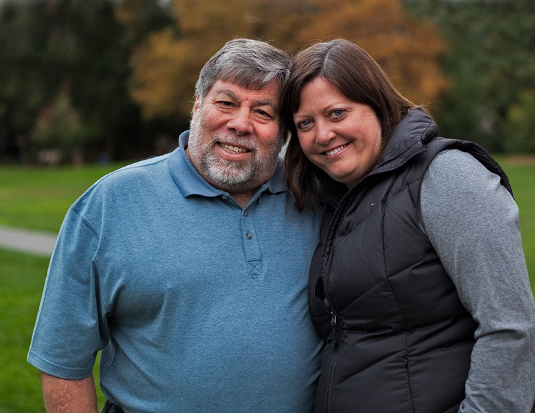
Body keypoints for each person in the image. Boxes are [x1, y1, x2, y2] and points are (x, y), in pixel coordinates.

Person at [28, 38, 324, 413]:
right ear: (197, 105)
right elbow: (63, 358)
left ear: (284, 132)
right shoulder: (110, 204)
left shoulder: (315, 200)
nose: (240, 123)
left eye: (263, 112)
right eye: (226, 102)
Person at [282, 39, 535, 413]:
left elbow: (510, 328)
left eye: (337, 113)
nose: (322, 134)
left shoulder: (447, 176)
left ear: (376, 104)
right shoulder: (334, 200)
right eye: (305, 123)